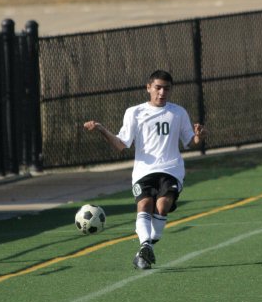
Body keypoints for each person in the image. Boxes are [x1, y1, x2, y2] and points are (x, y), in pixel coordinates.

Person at [83, 70, 207, 270]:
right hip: (143, 171)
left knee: (162, 206)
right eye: (157, 88)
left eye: (166, 88)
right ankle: (145, 248)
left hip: (171, 169)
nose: (161, 92)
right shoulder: (135, 112)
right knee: (145, 205)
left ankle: (145, 248)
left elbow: (190, 141)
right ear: (148, 88)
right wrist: (101, 129)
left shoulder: (178, 112)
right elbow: (121, 144)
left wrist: (199, 137)